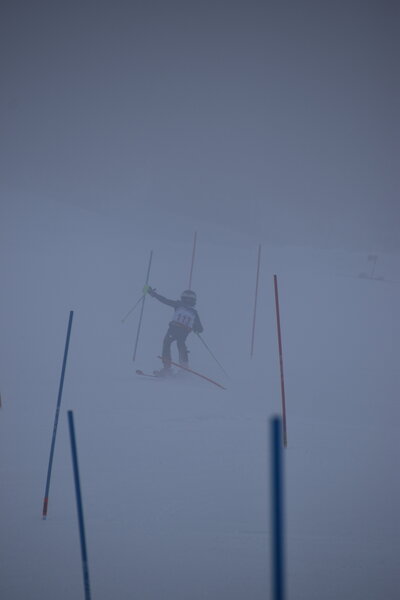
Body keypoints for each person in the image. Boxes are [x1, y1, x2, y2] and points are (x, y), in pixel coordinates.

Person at [143, 286, 203, 375]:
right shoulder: (188, 309)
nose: (188, 301)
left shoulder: (184, 307)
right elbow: (164, 300)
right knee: (179, 344)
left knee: (170, 343)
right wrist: (196, 329)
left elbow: (200, 327)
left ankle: (172, 367)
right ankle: (182, 367)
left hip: (176, 330)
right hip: (180, 330)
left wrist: (196, 328)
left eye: (189, 300)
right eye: (187, 299)